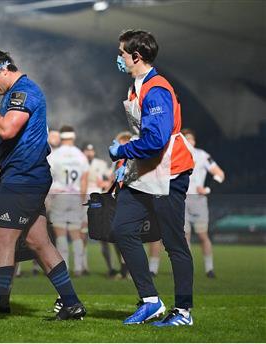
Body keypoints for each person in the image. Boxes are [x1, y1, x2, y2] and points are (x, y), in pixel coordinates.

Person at [0, 49, 85, 322]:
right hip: (26, 176)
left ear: (2, 70)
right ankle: (71, 303)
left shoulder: (24, 92)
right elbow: (5, 143)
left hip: (24, 177)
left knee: (2, 239)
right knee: (38, 241)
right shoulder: (14, 94)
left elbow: (6, 130)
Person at [108, 30, 195, 327]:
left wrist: (122, 150)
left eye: (122, 53)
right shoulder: (137, 86)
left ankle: (183, 312)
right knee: (121, 229)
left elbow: (156, 140)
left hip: (170, 172)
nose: (118, 57)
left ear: (136, 56)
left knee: (174, 244)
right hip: (146, 171)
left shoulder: (156, 89)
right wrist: (127, 164)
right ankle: (151, 302)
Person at [47, 125, 89, 276]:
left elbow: (48, 177)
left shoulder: (55, 155)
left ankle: (63, 266)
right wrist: (82, 199)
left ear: (61, 137)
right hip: (76, 195)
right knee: (76, 233)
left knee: (60, 234)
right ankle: (78, 267)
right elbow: (84, 181)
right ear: (73, 136)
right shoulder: (80, 156)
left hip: (59, 196)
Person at [183, 128, 225, 278]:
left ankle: (209, 268)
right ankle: (187, 268)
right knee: (185, 236)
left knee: (202, 235)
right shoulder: (175, 156)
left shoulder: (202, 156)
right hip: (181, 199)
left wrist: (207, 189)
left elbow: (220, 174)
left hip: (198, 200)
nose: (190, 141)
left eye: (192, 138)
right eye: (186, 138)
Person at [81, 143, 118, 278]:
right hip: (84, 201)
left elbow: (109, 179)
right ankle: (82, 265)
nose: (89, 153)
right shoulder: (79, 162)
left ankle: (113, 267)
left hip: (99, 203)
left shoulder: (101, 164)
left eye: (91, 150)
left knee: (106, 234)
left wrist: (106, 184)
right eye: (87, 150)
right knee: (82, 234)